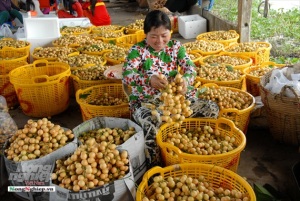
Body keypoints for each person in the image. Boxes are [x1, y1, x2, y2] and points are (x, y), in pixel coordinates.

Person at [122, 9, 219, 169]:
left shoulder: (176, 47)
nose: (159, 41)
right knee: (152, 126)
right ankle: (156, 167)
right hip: (148, 102)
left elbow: (190, 68)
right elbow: (127, 75)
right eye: (153, 36)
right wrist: (148, 80)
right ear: (145, 34)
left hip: (176, 101)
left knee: (211, 109)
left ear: (171, 32)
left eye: (164, 35)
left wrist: (186, 81)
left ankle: (196, 150)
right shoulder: (138, 51)